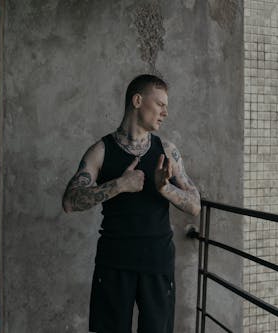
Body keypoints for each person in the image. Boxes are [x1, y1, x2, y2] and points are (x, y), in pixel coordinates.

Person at [62, 74, 201, 333]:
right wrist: (119, 185)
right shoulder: (101, 150)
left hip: (157, 263)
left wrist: (164, 188)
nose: (165, 112)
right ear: (138, 100)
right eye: (160, 104)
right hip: (115, 263)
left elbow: (195, 206)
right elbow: (70, 201)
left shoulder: (168, 150)